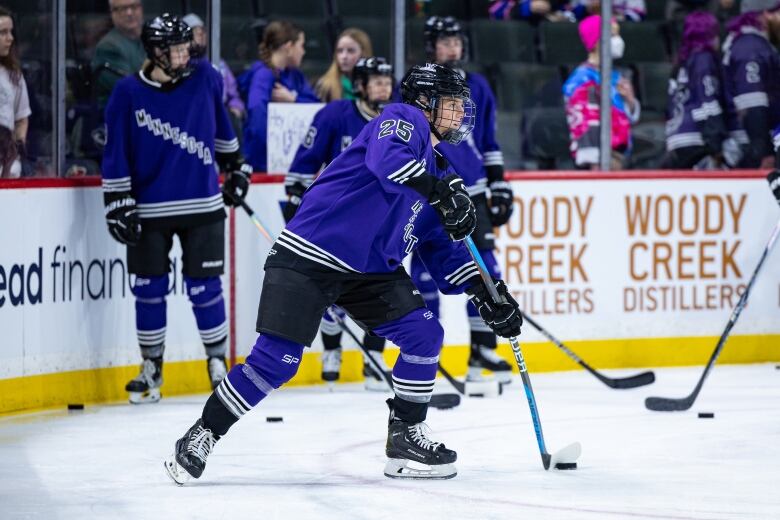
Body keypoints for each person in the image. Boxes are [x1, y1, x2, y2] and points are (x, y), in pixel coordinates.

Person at [163, 63, 523, 484]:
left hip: (369, 270)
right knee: (276, 362)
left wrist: (485, 291)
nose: (460, 112)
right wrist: (437, 191)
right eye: (451, 103)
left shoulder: (441, 170)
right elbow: (386, 158)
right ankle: (203, 432)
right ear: (425, 102)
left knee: (424, 335)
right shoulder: (401, 119)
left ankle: (405, 436)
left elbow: (442, 249)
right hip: (313, 252)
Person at [101, 14, 252, 404]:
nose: (185, 55)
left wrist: (236, 168)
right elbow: (115, 151)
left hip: (202, 203)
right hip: (150, 207)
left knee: (205, 287)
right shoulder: (127, 93)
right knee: (148, 289)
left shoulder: (204, 77)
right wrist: (117, 201)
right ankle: (152, 367)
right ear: (155, 51)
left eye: (188, 47)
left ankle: (217, 362)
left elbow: (222, 128)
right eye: (177, 49)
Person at [412, 16, 515, 383]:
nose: (452, 47)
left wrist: (499, 182)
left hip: (472, 191)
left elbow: (488, 139)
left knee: (485, 268)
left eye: (456, 40)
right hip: (433, 193)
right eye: (445, 41)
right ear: (431, 46)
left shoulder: (479, 86)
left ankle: (482, 351)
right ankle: (427, 357)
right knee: (425, 272)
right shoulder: (420, 87)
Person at [286, 57, 396, 389]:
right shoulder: (335, 116)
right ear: (360, 85)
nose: (383, 87)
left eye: (387, 81)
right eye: (376, 81)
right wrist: (296, 203)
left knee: (382, 288)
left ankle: (374, 356)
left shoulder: (396, 122)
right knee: (333, 291)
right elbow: (302, 167)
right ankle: (331, 350)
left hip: (382, 223)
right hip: (339, 223)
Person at [563, 14, 641, 170]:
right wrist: (595, 167)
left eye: (618, 34)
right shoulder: (581, 79)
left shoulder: (615, 75)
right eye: (612, 35)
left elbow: (626, 117)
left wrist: (630, 101)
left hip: (618, 154)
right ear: (597, 41)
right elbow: (584, 125)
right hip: (598, 161)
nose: (618, 40)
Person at [241, 21, 320, 173]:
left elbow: (317, 106)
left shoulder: (296, 75)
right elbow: (257, 113)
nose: (303, 52)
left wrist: (293, 100)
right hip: (265, 164)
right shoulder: (263, 75)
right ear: (289, 47)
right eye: (301, 45)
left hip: (290, 159)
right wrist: (274, 150)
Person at [663, 11, 736, 169]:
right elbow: (707, 100)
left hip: (676, 137)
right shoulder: (704, 59)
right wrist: (717, 143)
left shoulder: (680, 63)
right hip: (696, 139)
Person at [721, 0, 780, 169]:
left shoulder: (753, 44)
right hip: (753, 148)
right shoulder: (750, 47)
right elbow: (752, 105)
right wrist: (763, 151)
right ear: (766, 14)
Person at [182, 14, 246, 123]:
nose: (201, 35)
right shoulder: (180, 64)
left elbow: (233, 95)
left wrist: (235, 109)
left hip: (221, 118)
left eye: (202, 31)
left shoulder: (218, 62)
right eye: (195, 32)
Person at [91, 0, 146, 109]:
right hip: (120, 116)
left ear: (141, 8)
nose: (129, 13)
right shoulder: (108, 47)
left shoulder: (147, 38)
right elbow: (132, 90)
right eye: (122, 9)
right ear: (112, 13)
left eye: (134, 6)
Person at [0, 6, 30, 178]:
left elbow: (21, 119)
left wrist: (17, 151)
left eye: (11, 32)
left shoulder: (14, 75)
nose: (10, 38)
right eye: (3, 32)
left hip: (9, 170)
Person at [314, 28, 372, 102]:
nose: (344, 56)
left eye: (351, 51)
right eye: (340, 51)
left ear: (363, 53)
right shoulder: (325, 86)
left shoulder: (376, 86)